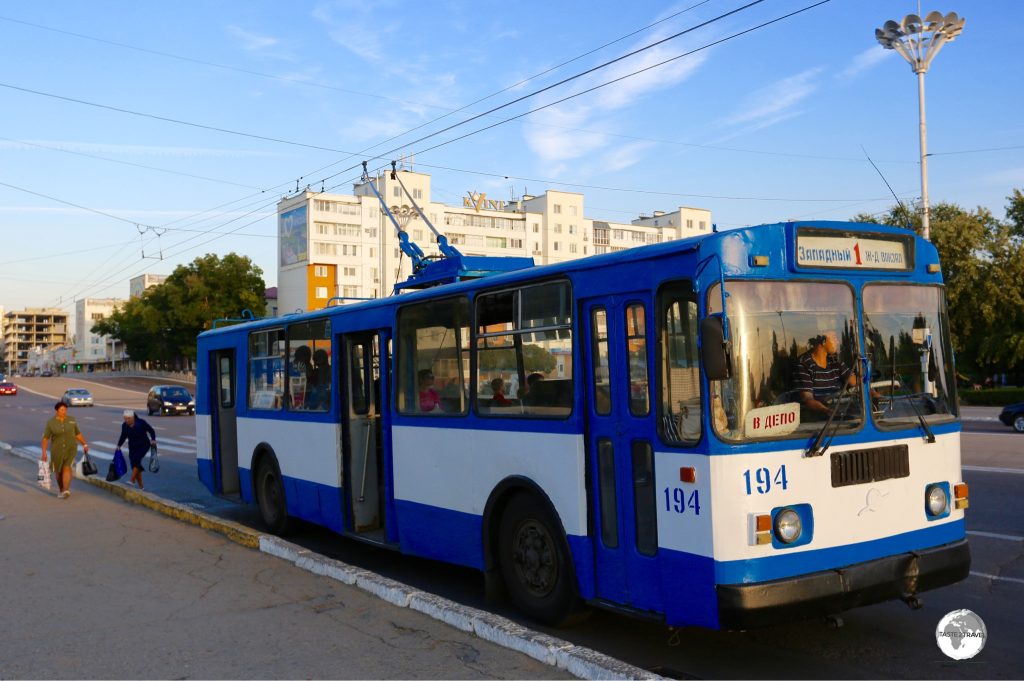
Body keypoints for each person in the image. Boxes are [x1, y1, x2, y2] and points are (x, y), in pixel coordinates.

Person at [793, 332, 859, 416]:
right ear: (823, 341)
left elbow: (858, 383)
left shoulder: (835, 362)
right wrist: (827, 411)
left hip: (841, 412)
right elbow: (808, 399)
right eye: (834, 338)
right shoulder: (804, 365)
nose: (838, 342)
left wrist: (876, 396)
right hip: (819, 419)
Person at [41, 401, 89, 499]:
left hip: (71, 448)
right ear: (56, 411)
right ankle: (61, 489)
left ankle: (66, 489)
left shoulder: (72, 420)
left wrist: (84, 444)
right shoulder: (51, 423)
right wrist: (44, 452)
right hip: (56, 450)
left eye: (65, 410)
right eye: (62, 410)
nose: (64, 412)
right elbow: (46, 438)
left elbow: (77, 433)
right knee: (58, 471)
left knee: (67, 467)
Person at [117, 410, 157, 489]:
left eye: (128, 419)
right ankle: (141, 486)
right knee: (134, 465)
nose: (126, 420)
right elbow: (123, 436)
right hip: (132, 446)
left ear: (133, 417)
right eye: (125, 419)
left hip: (144, 445)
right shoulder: (124, 426)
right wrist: (119, 445)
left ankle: (132, 480)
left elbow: (151, 430)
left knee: (137, 460)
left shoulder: (141, 423)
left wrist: (153, 439)